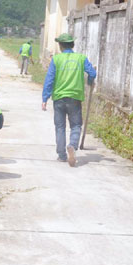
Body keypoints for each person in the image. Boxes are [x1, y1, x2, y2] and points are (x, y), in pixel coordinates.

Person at [42, 33, 97, 167]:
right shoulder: (81, 58)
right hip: (75, 98)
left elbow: (49, 79)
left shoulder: (56, 59)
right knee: (76, 125)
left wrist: (45, 98)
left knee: (60, 127)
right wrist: (90, 81)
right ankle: (72, 145)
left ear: (60, 46)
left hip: (59, 98)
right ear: (72, 45)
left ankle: (62, 155)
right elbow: (93, 73)